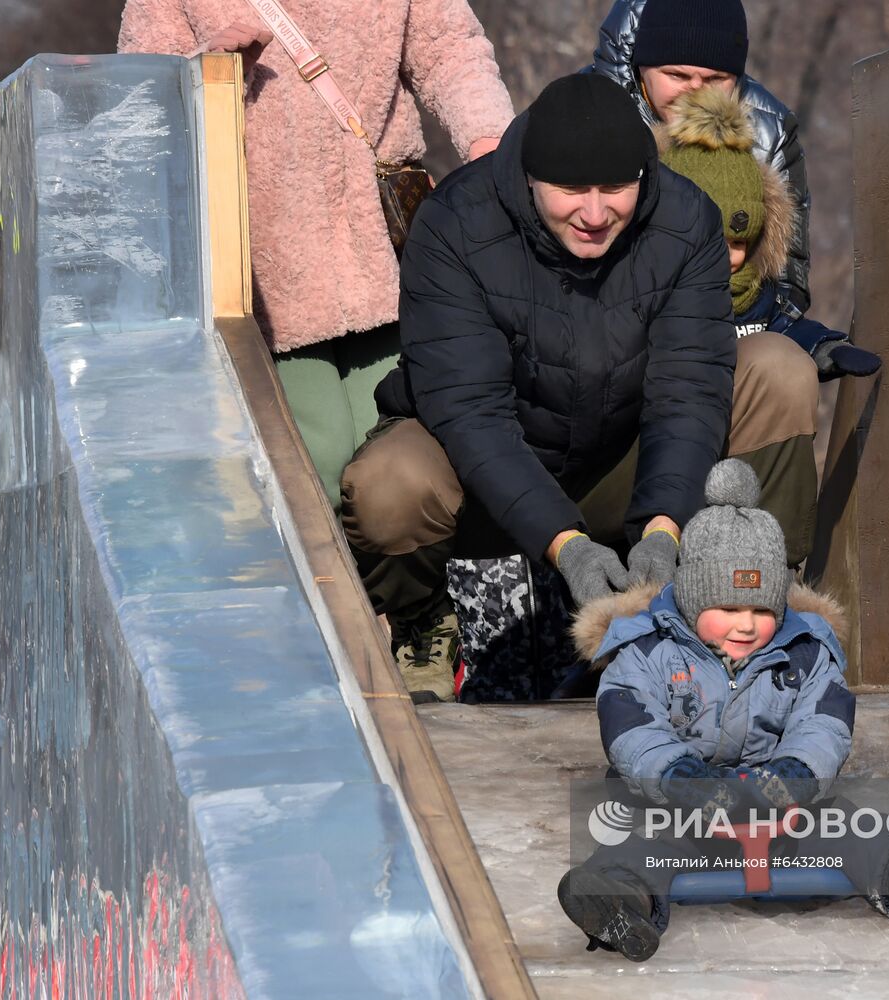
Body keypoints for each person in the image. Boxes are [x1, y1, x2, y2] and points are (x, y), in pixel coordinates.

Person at [340, 74, 821, 701]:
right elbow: (470, 413)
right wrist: (565, 546)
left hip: (625, 458)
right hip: (484, 476)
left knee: (776, 369)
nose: (595, 214)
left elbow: (688, 390)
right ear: (531, 178)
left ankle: (751, 607)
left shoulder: (684, 220)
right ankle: (423, 625)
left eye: (616, 190)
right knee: (387, 485)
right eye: (571, 190)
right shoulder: (455, 224)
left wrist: (663, 526)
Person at [558, 460, 889, 961]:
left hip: (781, 806)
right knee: (642, 845)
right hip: (677, 806)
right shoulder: (647, 650)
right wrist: (682, 779)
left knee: (853, 829)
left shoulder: (805, 651)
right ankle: (617, 902)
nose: (746, 625)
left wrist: (796, 774)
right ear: (693, 602)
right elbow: (632, 726)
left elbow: (823, 723)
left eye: (762, 610)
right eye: (729, 609)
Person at [118, 0, 515, 510]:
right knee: (313, 476)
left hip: (391, 259)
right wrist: (210, 75)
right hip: (263, 283)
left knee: (412, 468)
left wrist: (491, 145)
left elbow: (450, 51)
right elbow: (144, 108)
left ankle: (391, 591)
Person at [586, 0, 813, 315]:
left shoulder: (770, 129)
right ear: (642, 68)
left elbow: (789, 275)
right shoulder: (585, 110)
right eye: (677, 75)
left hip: (736, 320)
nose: (695, 92)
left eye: (714, 80)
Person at [656, 87, 881, 379]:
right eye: (711, 242)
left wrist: (826, 347)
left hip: (742, 409)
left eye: (738, 242)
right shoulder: (653, 293)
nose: (728, 258)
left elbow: (788, 329)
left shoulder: (756, 297)